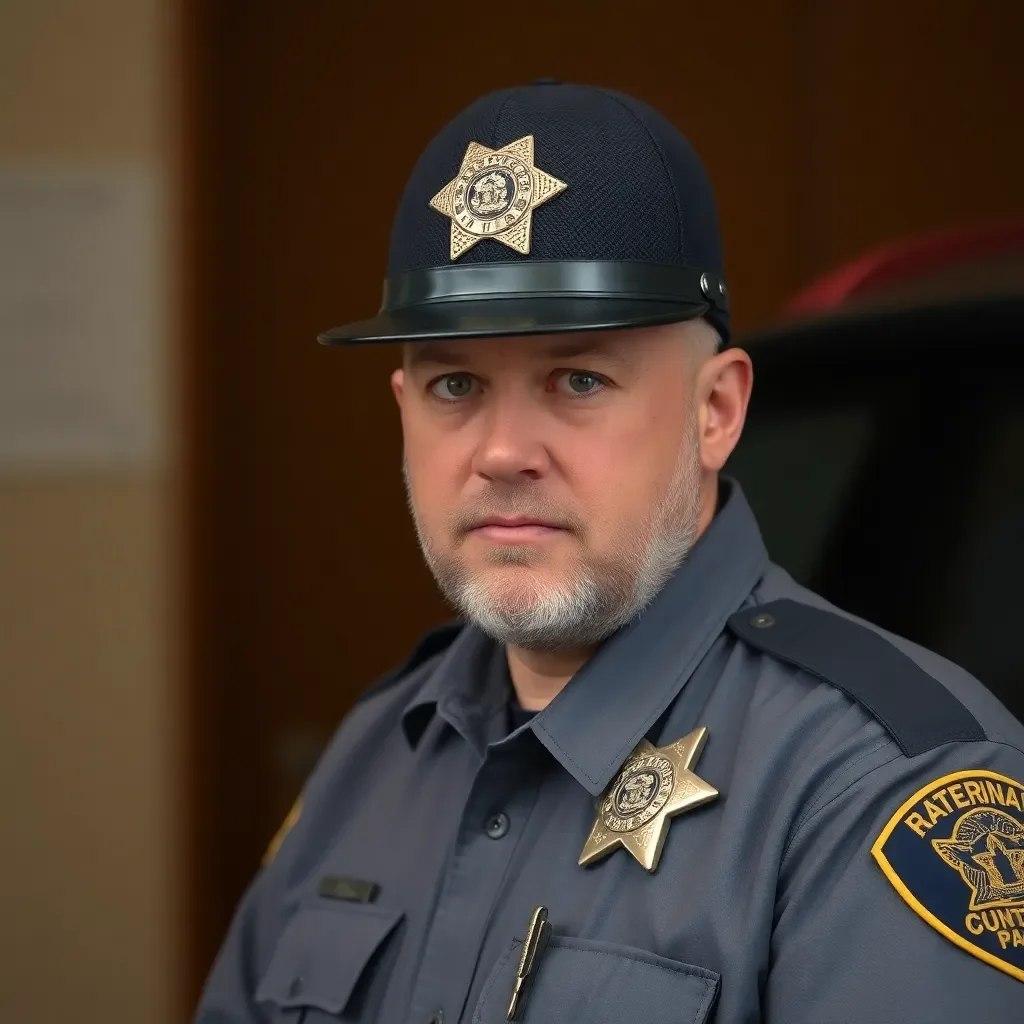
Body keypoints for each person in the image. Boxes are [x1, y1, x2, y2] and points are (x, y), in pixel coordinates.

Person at [196, 82, 1024, 1023]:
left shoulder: (880, 791)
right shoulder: (379, 751)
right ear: (402, 411)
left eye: (578, 378)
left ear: (716, 412)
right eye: (455, 383)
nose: (502, 451)